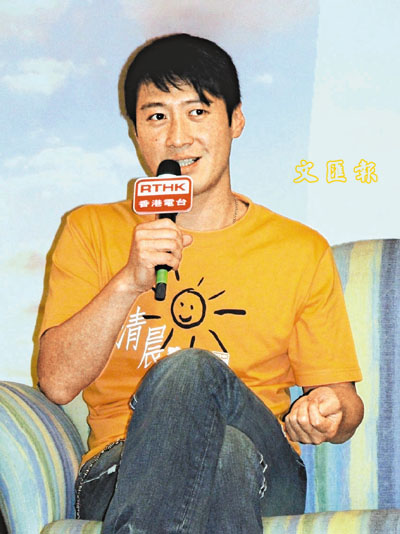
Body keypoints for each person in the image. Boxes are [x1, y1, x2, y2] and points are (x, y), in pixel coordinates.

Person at [37, 33, 364, 533]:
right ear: (135, 132)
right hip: (121, 466)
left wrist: (330, 411)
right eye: (156, 116)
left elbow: (345, 404)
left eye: (197, 112)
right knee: (224, 455)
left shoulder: (299, 249)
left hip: (267, 468)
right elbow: (57, 384)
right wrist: (127, 282)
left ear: (235, 121)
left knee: (193, 373)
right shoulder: (91, 230)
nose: (177, 138)